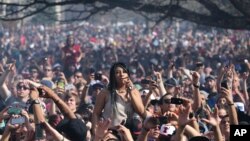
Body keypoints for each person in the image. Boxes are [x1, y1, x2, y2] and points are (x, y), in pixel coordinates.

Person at [92, 62, 146, 136]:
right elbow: (96, 113)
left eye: (124, 72)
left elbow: (141, 112)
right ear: (113, 76)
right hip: (110, 133)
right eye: (117, 72)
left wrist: (130, 90)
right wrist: (96, 131)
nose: (121, 74)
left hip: (130, 133)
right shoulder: (105, 92)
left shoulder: (134, 91)